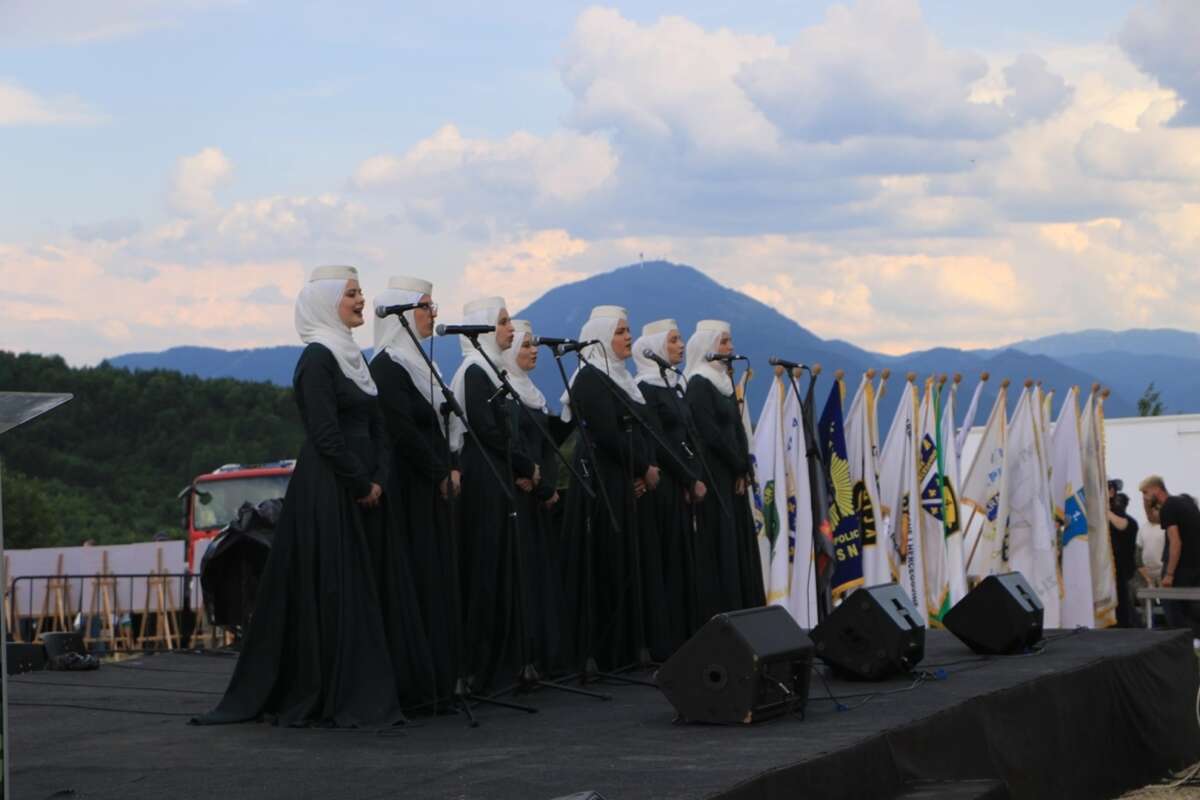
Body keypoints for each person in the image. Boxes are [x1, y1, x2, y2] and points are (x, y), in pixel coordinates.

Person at [195, 265, 412, 728]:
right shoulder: (316, 358)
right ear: (325, 302)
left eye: (360, 292)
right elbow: (325, 434)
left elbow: (378, 427)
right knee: (336, 589)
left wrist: (379, 478)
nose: (360, 300)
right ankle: (334, 689)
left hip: (366, 487)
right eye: (352, 293)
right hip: (330, 490)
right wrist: (361, 482)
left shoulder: (353, 356)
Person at [370, 276, 460, 706]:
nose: (432, 313)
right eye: (425, 306)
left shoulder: (422, 364)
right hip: (410, 490)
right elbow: (403, 432)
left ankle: (441, 676)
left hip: (433, 486)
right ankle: (419, 683)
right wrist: (440, 471)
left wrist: (452, 466)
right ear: (403, 313)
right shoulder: (388, 366)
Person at [559, 305, 657, 671]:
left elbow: (637, 428)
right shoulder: (590, 378)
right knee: (605, 560)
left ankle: (630, 644)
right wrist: (643, 467)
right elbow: (606, 433)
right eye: (620, 332)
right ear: (600, 337)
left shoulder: (620, 376)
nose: (628, 338)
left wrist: (643, 467)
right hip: (602, 477)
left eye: (628, 330)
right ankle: (604, 649)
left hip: (625, 477)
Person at [449, 297, 533, 692]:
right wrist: (523, 465)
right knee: (485, 570)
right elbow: (487, 430)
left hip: (497, 474)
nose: (510, 330)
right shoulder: (474, 371)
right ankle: (481, 670)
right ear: (483, 329)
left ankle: (502, 665)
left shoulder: (491, 370)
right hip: (483, 477)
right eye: (502, 323)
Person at [633, 318, 706, 653]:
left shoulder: (672, 384)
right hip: (665, 485)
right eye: (675, 340)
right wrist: (686, 478)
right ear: (660, 346)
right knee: (669, 559)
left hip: (683, 482)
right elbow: (660, 442)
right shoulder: (646, 387)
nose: (680, 346)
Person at [684, 320, 764, 619]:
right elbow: (710, 434)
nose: (731, 348)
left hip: (733, 474)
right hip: (715, 474)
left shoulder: (724, 381)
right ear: (708, 346)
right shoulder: (698, 383)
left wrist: (744, 469)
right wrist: (737, 464)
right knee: (721, 544)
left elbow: (735, 429)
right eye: (724, 342)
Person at [502, 320, 564, 675]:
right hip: (520, 497)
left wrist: (550, 487)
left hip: (542, 495)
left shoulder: (532, 392)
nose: (533, 350)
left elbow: (546, 447)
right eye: (525, 345)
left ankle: (546, 654)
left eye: (533, 345)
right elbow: (515, 445)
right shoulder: (507, 391)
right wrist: (535, 481)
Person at [1139, 475, 1200, 637]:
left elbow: (1175, 542)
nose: (1144, 497)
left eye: (1145, 492)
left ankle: (1183, 648)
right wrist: (1146, 504)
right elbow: (1153, 518)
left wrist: (1169, 574)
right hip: (1194, 567)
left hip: (1179, 568)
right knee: (1192, 611)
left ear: (1156, 489)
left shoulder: (1168, 507)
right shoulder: (1184, 502)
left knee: (1174, 613)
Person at [1106, 479, 1138, 628]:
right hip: (1108, 573)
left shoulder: (1127, 521)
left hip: (1121, 573)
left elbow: (1122, 525)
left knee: (1123, 611)